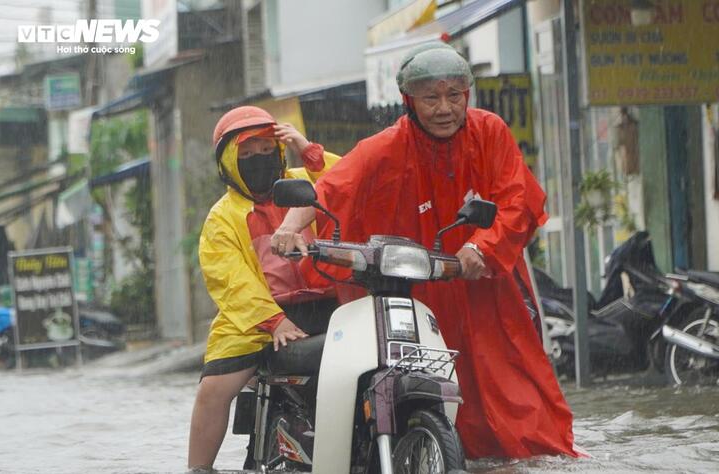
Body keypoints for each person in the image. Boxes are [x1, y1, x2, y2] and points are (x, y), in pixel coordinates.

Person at [270, 43, 582, 459]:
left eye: (454, 95)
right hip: (415, 292)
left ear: (467, 97)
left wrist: (482, 246)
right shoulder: (386, 146)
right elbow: (331, 187)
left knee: (519, 395)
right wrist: (290, 228)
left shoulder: (490, 132)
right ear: (409, 101)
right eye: (431, 97)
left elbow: (518, 200)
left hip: (485, 286)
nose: (443, 108)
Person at [187, 106, 340, 471]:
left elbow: (351, 181)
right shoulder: (221, 218)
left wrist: (310, 151)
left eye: (267, 150)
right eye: (247, 154)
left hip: (333, 300)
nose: (259, 160)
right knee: (214, 390)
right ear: (228, 162)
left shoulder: (307, 179)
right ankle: (198, 468)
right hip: (258, 318)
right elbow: (232, 282)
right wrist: (274, 322)